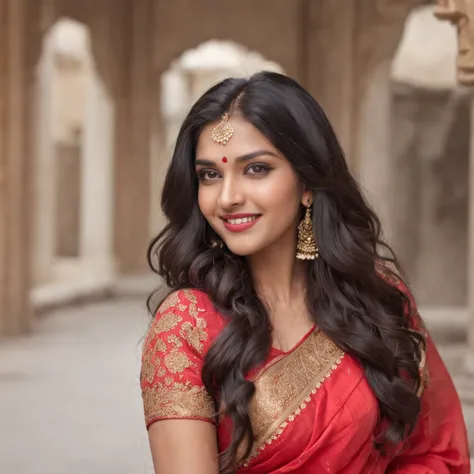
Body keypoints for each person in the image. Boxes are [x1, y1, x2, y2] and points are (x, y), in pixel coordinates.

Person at [140, 71, 470, 473]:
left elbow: (435, 451)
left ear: (308, 183)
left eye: (256, 169)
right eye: (209, 174)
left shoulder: (374, 295)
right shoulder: (186, 323)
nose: (227, 198)